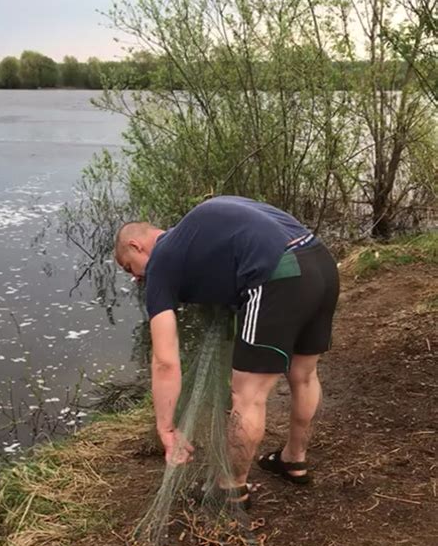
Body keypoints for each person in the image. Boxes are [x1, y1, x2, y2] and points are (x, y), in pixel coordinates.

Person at [114, 196, 339, 508]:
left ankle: (230, 487)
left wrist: (166, 428)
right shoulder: (196, 236)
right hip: (321, 265)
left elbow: (165, 361)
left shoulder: (162, 259)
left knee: (248, 394)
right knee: (304, 375)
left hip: (277, 272)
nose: (136, 277)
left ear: (137, 246)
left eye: (129, 267)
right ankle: (293, 460)